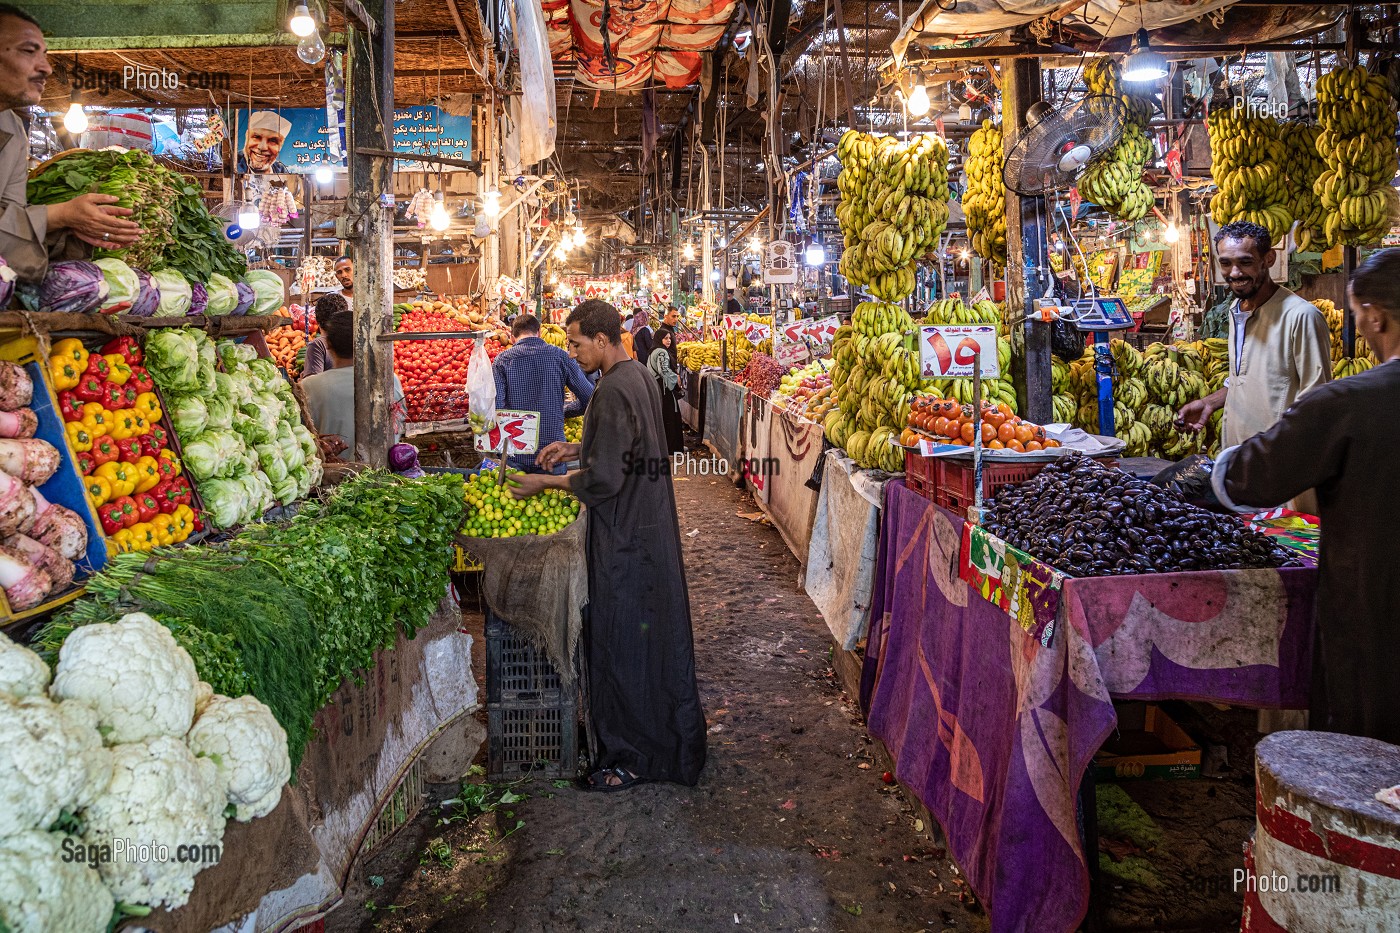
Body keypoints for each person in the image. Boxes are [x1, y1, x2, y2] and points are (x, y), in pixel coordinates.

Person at [510, 298, 706, 790]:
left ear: (601, 340)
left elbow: (604, 480)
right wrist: (577, 445)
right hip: (648, 525)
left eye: (576, 344)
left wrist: (545, 482)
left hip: (625, 535)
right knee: (651, 639)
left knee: (621, 643)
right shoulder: (633, 375)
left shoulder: (616, 389)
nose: (571, 353)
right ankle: (667, 740)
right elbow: (629, 442)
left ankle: (630, 757)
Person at [1211, 249, 1400, 745]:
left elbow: (1252, 476)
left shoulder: (1350, 403)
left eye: (1358, 314)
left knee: (1363, 758)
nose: (1358, 327)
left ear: (1376, 315)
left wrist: (1202, 479)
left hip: (1376, 610)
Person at [0, 4, 143, 281]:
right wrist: (60, 214)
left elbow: (10, 220)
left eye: (45, 55)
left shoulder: (12, 127)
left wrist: (70, 229)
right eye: (28, 51)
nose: (47, 69)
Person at [1175, 221, 1330, 448]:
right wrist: (1209, 403)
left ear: (1268, 259)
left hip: (1279, 461)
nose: (1235, 273)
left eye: (1245, 262)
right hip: (1238, 455)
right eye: (1226, 263)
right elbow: (1247, 380)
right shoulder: (1235, 311)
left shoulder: (1301, 316)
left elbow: (1318, 402)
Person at [491, 313, 595, 473]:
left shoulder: (501, 360)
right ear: (539, 332)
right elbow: (590, 398)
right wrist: (564, 411)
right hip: (553, 454)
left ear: (512, 337)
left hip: (516, 454)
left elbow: (497, 408)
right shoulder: (561, 357)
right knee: (554, 496)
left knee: (515, 497)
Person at [300, 310, 406, 456]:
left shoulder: (308, 386)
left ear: (328, 344)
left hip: (332, 474)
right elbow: (399, 423)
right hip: (383, 472)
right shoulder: (389, 379)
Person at [647, 329, 684, 454]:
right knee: (670, 416)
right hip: (664, 388)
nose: (668, 341)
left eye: (669, 338)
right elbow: (664, 371)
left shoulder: (654, 351)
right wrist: (676, 379)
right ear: (659, 339)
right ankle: (671, 448)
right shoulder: (661, 352)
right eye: (665, 338)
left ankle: (667, 447)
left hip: (658, 387)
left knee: (664, 416)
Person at [300, 293, 343, 379]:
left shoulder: (318, 345)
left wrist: (302, 382)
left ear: (316, 319)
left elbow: (313, 387)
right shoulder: (352, 340)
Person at [238, 110, 291, 174]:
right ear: (247, 136)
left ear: (281, 145)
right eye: (257, 137)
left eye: (273, 141)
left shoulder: (281, 170)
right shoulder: (232, 164)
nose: (262, 147)